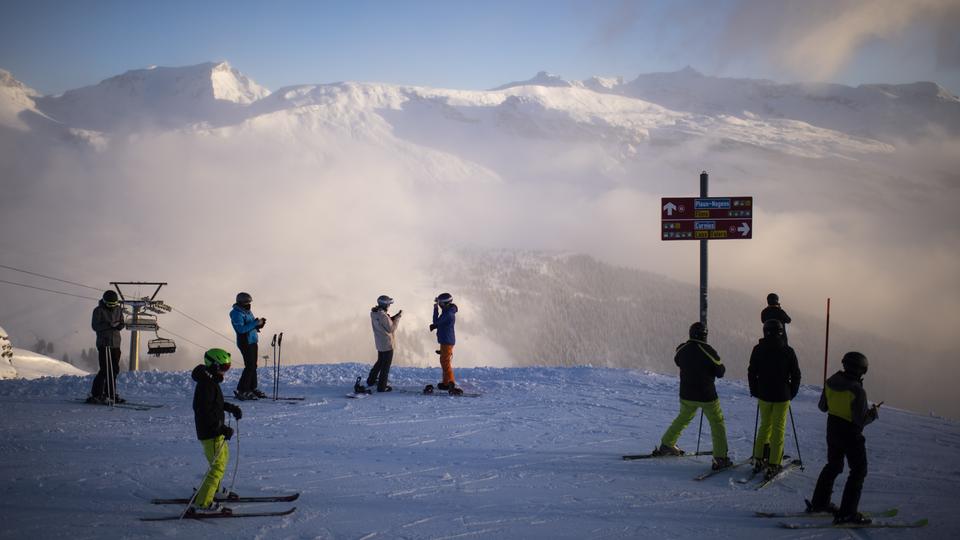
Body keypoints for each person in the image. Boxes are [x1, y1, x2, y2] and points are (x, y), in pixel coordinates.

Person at [807, 351, 880, 525]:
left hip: (832, 430)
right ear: (862, 370)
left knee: (833, 466)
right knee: (858, 471)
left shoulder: (831, 381)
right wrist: (873, 414)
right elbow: (859, 421)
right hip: (851, 434)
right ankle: (847, 513)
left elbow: (822, 407)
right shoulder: (858, 391)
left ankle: (819, 503)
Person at [653, 322, 732, 470]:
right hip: (707, 395)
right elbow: (720, 372)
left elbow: (677, 360)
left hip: (686, 394)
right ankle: (720, 457)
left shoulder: (682, 349)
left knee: (683, 418)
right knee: (717, 423)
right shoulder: (708, 350)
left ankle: (667, 444)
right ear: (705, 335)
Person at [748, 319, 802, 479]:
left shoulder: (758, 349)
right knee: (778, 429)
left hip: (764, 395)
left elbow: (752, 372)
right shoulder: (788, 351)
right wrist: (791, 393)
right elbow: (796, 375)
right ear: (781, 332)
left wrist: (755, 390)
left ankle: (758, 458)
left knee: (765, 426)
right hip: (782, 396)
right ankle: (773, 463)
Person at [191, 348, 243, 515]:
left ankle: (214, 490)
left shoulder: (210, 381)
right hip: (211, 432)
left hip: (214, 431)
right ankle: (204, 503)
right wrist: (221, 428)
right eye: (224, 367)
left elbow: (215, 404)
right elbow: (204, 412)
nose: (225, 371)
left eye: (227, 367)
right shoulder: (206, 385)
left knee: (222, 460)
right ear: (214, 366)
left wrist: (230, 408)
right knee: (217, 467)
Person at [87, 290, 125, 404]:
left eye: (114, 304)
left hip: (116, 343)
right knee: (105, 369)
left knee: (114, 370)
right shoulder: (98, 311)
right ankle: (97, 394)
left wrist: (119, 325)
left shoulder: (118, 309)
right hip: (104, 343)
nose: (112, 307)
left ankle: (111, 394)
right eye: (110, 304)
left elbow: (122, 323)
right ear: (105, 302)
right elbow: (95, 326)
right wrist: (109, 325)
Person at [230, 292, 266, 400]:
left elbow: (250, 325)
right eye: (246, 302)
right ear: (241, 303)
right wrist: (255, 323)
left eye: (249, 302)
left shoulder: (247, 311)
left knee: (253, 365)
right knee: (249, 366)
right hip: (245, 342)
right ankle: (243, 390)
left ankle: (252, 388)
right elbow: (241, 330)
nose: (249, 304)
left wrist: (259, 324)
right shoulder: (237, 314)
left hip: (253, 341)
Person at [367, 295, 402, 392]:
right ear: (385, 305)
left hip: (380, 342)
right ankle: (382, 387)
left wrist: (391, 318)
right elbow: (391, 328)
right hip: (387, 343)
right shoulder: (382, 315)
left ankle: (371, 380)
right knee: (385, 366)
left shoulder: (375, 313)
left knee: (380, 362)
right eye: (388, 304)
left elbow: (384, 323)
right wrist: (397, 318)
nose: (389, 306)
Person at [429, 292, 461, 395]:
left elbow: (436, 321)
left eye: (441, 303)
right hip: (446, 340)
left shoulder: (448, 313)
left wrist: (435, 309)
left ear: (446, 303)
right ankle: (446, 383)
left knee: (446, 363)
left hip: (447, 340)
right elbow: (442, 324)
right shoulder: (448, 311)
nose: (439, 305)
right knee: (444, 362)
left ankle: (451, 384)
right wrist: (437, 326)